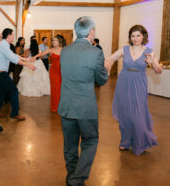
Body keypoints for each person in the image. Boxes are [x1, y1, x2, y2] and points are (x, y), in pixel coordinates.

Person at [58, 16, 108, 186]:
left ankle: (72, 174)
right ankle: (77, 178)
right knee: (90, 141)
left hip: (66, 106)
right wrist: (105, 69)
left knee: (70, 144)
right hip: (85, 108)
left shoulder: (65, 51)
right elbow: (101, 80)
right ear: (91, 32)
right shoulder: (96, 53)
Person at [105, 24, 162, 155]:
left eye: (138, 35)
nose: (135, 38)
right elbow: (110, 59)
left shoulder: (149, 51)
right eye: (133, 36)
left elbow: (158, 71)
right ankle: (125, 141)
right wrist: (107, 63)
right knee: (125, 113)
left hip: (139, 83)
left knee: (138, 113)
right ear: (130, 37)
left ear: (143, 37)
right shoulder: (124, 49)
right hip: (124, 82)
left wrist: (153, 62)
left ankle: (140, 141)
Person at [0, 28, 36, 121]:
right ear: (8, 36)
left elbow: (13, 55)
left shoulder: (4, 45)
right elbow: (14, 59)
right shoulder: (4, 46)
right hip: (0, 74)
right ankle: (14, 113)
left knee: (1, 93)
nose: (13, 37)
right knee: (14, 91)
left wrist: (26, 59)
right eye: (12, 35)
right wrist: (28, 65)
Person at [33, 34, 65, 112]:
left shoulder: (64, 49)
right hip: (54, 71)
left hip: (62, 71)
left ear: (59, 42)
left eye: (56, 40)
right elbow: (41, 54)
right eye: (53, 40)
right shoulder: (50, 50)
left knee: (61, 89)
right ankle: (56, 107)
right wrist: (34, 57)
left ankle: (62, 106)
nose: (54, 42)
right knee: (55, 88)